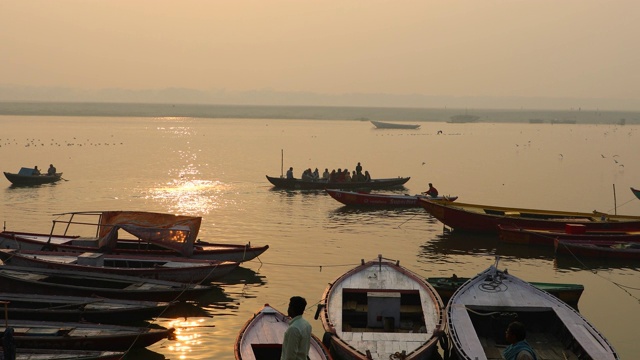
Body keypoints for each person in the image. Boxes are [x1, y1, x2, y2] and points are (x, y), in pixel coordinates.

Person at [281, 296, 312, 360]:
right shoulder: (307, 325)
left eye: (289, 306)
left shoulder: (293, 329)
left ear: (292, 309)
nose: (288, 309)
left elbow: (290, 357)